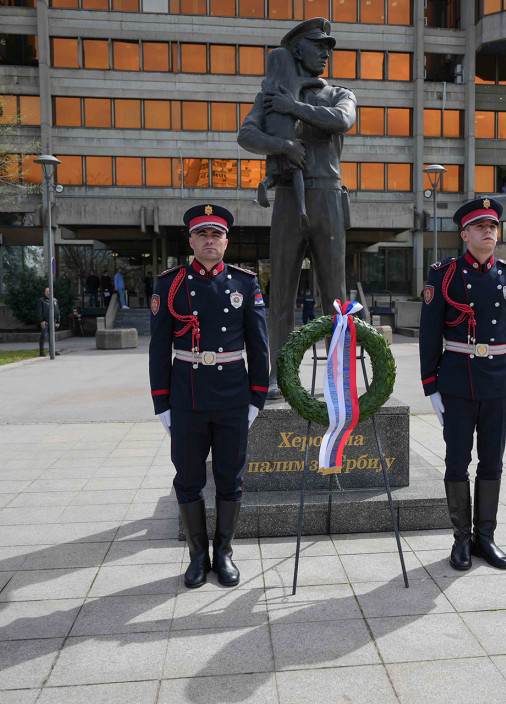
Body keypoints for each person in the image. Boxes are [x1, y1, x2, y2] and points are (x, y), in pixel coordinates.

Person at [149, 204, 269, 589]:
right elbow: (158, 348)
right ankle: (198, 555)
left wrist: (257, 397)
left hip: (233, 396)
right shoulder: (169, 284)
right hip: (187, 397)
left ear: (226, 241)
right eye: (202, 234)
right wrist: (162, 402)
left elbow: (259, 345)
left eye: (216, 235)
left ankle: (224, 552)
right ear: (191, 241)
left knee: (230, 478)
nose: (209, 241)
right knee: (188, 479)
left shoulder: (245, 283)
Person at [238, 18, 356, 394]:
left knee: (334, 295)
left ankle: (339, 376)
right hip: (289, 196)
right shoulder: (272, 94)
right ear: (295, 50)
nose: (325, 53)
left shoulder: (337, 93)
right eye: (318, 45)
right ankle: (279, 374)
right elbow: (246, 134)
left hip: (327, 196)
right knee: (282, 292)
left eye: (328, 47)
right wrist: (283, 146)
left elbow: (343, 120)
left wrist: (297, 108)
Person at [419, 197, 506, 572]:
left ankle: (486, 536)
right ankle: (461, 540)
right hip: (456, 381)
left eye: (493, 226)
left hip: (499, 381)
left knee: (493, 462)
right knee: (456, 461)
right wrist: (431, 385)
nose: (489, 231)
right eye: (481, 226)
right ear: (464, 234)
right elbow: (429, 333)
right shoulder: (444, 274)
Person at [254, 46, 321, 229]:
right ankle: (302, 209)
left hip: (272, 136)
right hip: (289, 135)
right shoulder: (293, 83)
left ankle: (265, 184)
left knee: (273, 174)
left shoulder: (266, 87)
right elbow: (318, 83)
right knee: (296, 170)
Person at [37, 287, 60, 356]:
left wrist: (58, 321)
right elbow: (39, 311)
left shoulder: (54, 300)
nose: (48, 293)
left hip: (53, 321)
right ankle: (42, 351)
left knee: (52, 337)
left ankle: (52, 350)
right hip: (45, 322)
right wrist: (42, 320)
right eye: (46, 291)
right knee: (43, 336)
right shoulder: (42, 300)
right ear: (45, 292)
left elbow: (57, 311)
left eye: (49, 291)